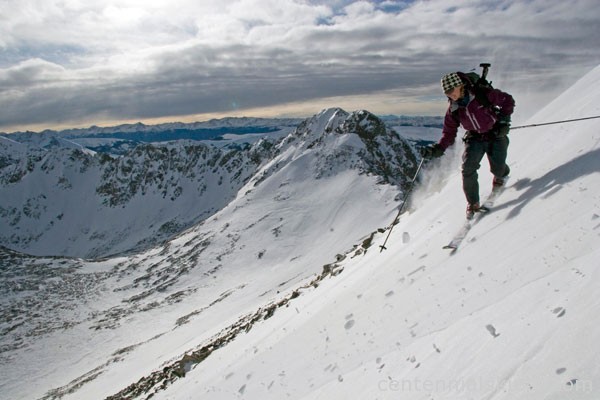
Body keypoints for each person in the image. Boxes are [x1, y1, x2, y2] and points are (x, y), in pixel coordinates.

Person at [423, 71, 515, 219]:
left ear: (460, 86)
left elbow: (507, 100)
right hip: (475, 138)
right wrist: (439, 148)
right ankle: (473, 203)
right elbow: (449, 133)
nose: (450, 94)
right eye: (446, 92)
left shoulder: (482, 94)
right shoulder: (453, 110)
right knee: (468, 170)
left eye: (451, 90)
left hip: (495, 134)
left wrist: (504, 121)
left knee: (498, 167)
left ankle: (501, 175)